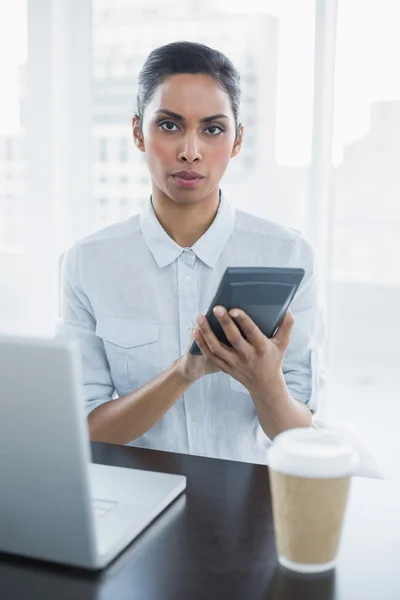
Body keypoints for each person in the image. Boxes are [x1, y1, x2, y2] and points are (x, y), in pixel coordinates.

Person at [61, 41, 326, 464]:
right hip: (138, 497)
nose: (190, 151)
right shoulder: (88, 263)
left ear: (237, 140)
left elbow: (301, 436)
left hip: (251, 500)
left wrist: (265, 383)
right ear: (137, 133)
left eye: (212, 129)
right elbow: (86, 432)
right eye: (169, 126)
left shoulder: (289, 255)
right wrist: (183, 374)